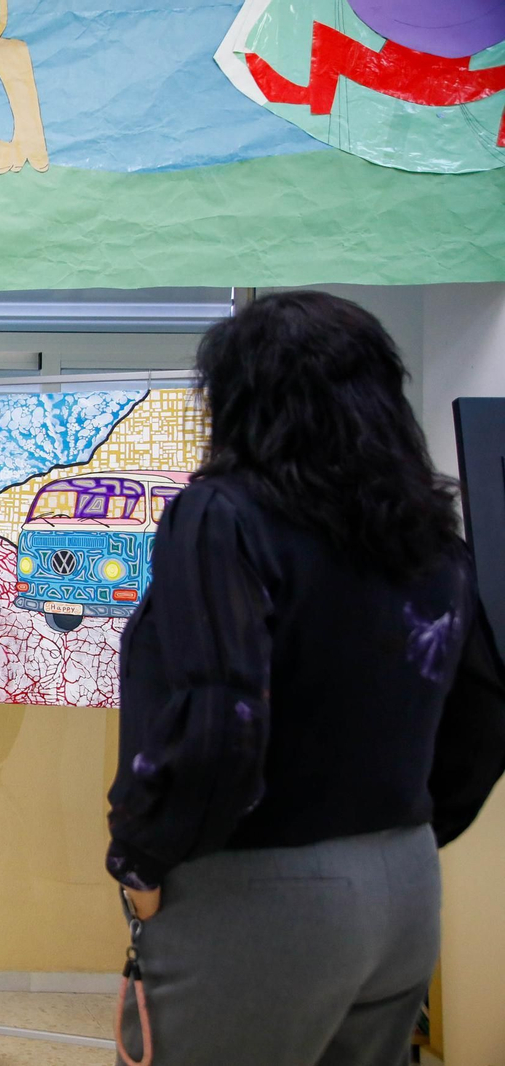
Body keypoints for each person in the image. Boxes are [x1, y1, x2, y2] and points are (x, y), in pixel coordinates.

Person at [106, 291, 505, 1066]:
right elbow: (486, 710)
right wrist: (402, 836)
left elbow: (221, 723)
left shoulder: (222, 517)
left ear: (240, 400)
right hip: (406, 888)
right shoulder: (428, 531)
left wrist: (141, 860)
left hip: (263, 893)